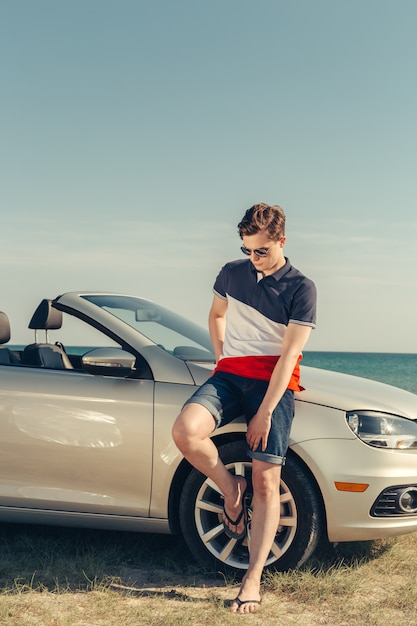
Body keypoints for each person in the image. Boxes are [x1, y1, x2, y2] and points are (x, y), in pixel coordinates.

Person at [172, 203, 317, 614]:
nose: (253, 259)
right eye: (247, 250)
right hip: (230, 376)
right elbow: (217, 314)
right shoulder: (231, 273)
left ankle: (252, 579)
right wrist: (222, 359)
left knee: (267, 481)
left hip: (272, 383)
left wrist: (265, 411)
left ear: (281, 242)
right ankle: (230, 489)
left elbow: (289, 355)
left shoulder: (302, 288)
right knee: (185, 432)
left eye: (261, 251)